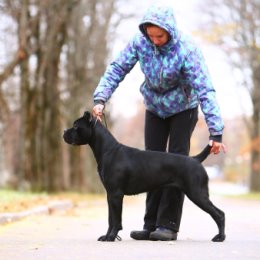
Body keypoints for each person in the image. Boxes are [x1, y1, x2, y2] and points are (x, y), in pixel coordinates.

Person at [92, 5, 226, 241]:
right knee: (150, 162)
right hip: (154, 108)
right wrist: (101, 98)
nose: (155, 41)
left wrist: (216, 131)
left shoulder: (187, 49)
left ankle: (168, 225)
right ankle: (150, 224)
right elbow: (117, 68)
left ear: (170, 32)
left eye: (160, 36)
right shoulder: (140, 42)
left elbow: (205, 89)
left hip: (183, 109)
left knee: (175, 164)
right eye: (150, 35)